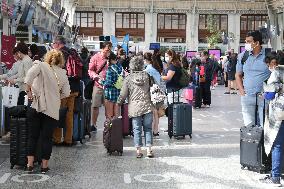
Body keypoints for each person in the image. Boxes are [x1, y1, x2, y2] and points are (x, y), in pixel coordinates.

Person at [25, 49, 70, 174]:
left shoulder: (40, 65)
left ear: (48, 57)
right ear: (61, 60)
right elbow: (66, 92)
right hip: (51, 109)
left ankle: (29, 165)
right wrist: (55, 97)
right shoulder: (62, 73)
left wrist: (29, 92)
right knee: (47, 138)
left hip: (36, 105)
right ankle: (44, 166)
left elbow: (28, 76)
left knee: (32, 136)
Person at [117, 56, 154, 158]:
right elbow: (154, 89)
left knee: (137, 129)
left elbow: (123, 94)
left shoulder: (128, 78)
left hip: (134, 107)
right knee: (148, 128)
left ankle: (138, 151)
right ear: (142, 65)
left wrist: (118, 103)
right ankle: (149, 150)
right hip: (147, 106)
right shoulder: (147, 76)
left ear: (131, 66)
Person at [235, 30, 271, 127]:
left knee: (265, 125)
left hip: (264, 97)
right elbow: (238, 75)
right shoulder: (243, 56)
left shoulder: (269, 55)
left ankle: (264, 142)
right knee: (249, 126)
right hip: (247, 96)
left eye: (249, 41)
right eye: (246, 41)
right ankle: (252, 142)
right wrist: (242, 91)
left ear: (257, 43)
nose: (246, 44)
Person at [260, 51, 284, 187]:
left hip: (280, 112)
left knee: (277, 144)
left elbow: (269, 95)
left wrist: (264, 94)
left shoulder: (277, 72)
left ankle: (275, 177)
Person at [52, 36, 80, 146]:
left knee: (59, 113)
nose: (53, 46)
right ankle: (68, 139)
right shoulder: (73, 53)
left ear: (58, 44)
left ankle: (57, 139)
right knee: (69, 115)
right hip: (74, 89)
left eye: (54, 44)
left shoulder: (59, 54)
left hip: (63, 89)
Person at [88, 41, 112, 132]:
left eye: (110, 50)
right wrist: (96, 76)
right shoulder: (95, 57)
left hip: (109, 87)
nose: (108, 52)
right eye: (107, 50)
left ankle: (108, 125)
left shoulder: (111, 58)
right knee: (95, 106)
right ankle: (93, 124)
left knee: (108, 107)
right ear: (102, 49)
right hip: (98, 85)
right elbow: (90, 70)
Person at [144, 52, 162, 137]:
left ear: (145, 60)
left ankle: (151, 130)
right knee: (156, 113)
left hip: (150, 93)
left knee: (151, 113)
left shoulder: (147, 70)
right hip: (157, 93)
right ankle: (156, 130)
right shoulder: (156, 69)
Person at [103, 52, 122, 119]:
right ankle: (117, 128)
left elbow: (108, 83)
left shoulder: (110, 69)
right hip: (117, 93)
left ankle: (110, 128)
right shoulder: (119, 68)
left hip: (110, 94)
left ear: (110, 60)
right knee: (116, 115)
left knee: (109, 115)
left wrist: (102, 82)